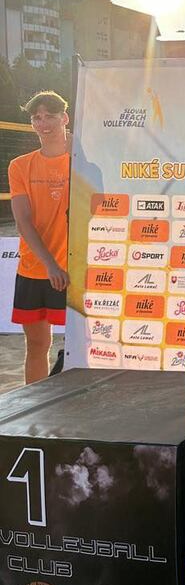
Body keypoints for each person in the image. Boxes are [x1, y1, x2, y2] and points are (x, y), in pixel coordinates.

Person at [9, 91, 71, 384]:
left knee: (81, 348)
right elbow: (23, 221)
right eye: (37, 117)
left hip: (75, 270)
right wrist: (50, 265)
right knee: (37, 345)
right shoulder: (20, 165)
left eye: (50, 115)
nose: (43, 122)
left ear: (64, 118)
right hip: (36, 269)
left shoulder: (83, 159)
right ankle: (32, 412)